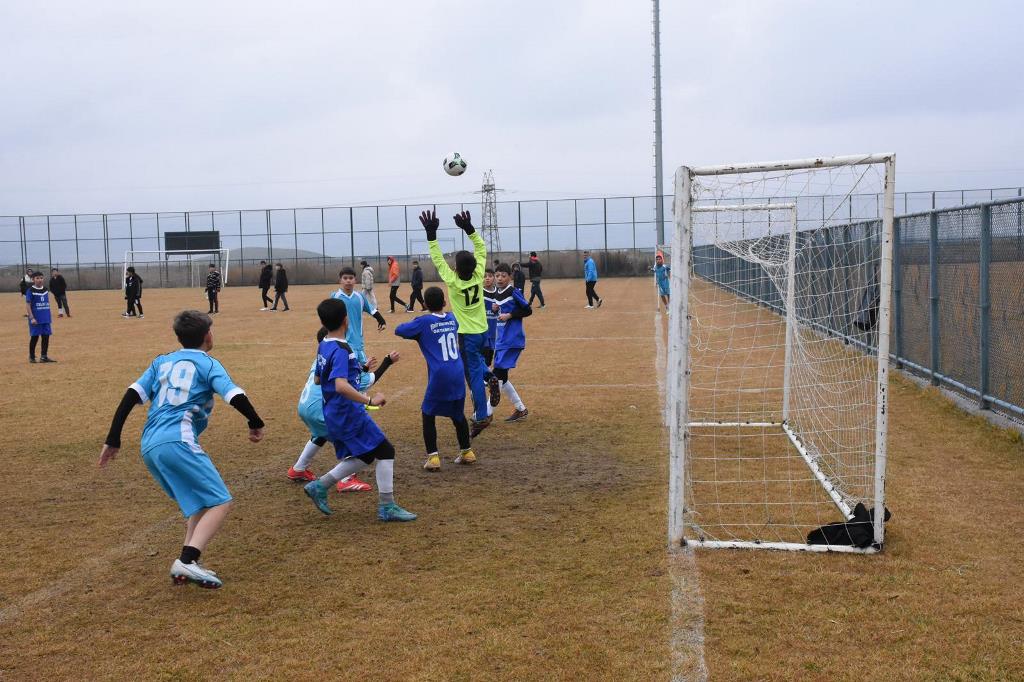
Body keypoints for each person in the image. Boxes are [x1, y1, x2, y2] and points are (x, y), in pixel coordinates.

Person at [97, 310, 266, 589]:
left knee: (199, 504)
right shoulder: (208, 364)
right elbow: (234, 394)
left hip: (150, 444)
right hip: (178, 440)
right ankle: (188, 561)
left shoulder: (161, 362)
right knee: (221, 501)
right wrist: (255, 422)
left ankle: (187, 564)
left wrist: (113, 438)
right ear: (207, 335)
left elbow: (130, 395)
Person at [302, 298, 416, 522]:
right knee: (385, 451)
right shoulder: (342, 349)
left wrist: (357, 371)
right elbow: (340, 385)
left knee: (365, 455)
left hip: (334, 412)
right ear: (346, 320)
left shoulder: (324, 344)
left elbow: (318, 378)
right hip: (347, 413)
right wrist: (370, 399)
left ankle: (320, 486)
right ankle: (387, 506)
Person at [420, 209, 500, 438]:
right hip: (483, 331)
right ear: (475, 266)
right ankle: (490, 376)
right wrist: (469, 229)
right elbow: (482, 248)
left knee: (471, 374)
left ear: (455, 267)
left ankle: (481, 415)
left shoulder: (453, 281)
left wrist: (431, 234)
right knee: (476, 365)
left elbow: (437, 259)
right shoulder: (478, 275)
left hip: (466, 334)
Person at [288, 326, 397, 491]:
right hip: (322, 409)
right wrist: (387, 362)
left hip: (306, 407)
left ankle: (298, 468)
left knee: (322, 433)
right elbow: (358, 383)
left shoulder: (321, 355)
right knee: (351, 436)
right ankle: (346, 479)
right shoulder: (340, 352)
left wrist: (363, 369)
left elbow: (324, 378)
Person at [395, 286, 476, 471]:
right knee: (457, 414)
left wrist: (419, 321)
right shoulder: (452, 318)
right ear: (445, 303)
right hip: (457, 371)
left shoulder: (423, 322)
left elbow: (399, 330)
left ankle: (433, 458)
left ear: (424, 304)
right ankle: (467, 452)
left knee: (428, 413)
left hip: (440, 374)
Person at [491, 264, 532, 422]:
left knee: (497, 377)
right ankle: (520, 409)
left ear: (510, 277)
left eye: (503, 275)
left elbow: (528, 310)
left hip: (512, 339)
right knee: (502, 377)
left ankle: (484, 414)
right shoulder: (498, 293)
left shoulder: (513, 292)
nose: (499, 278)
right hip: (501, 339)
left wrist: (510, 315)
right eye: (497, 275)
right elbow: (501, 311)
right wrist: (496, 309)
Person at [26, 271, 55, 363]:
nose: (39, 280)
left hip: (45, 318)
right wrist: (32, 318)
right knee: (35, 337)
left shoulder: (46, 289)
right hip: (36, 319)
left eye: (41, 278)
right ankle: (32, 356)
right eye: (37, 278)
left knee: (46, 337)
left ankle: (44, 356)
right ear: (33, 279)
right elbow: (28, 305)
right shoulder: (30, 290)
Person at [482, 268, 498, 369]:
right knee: (484, 357)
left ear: (494, 278)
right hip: (483, 331)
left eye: (490, 276)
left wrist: (498, 308)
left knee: (490, 357)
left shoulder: (499, 292)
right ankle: (485, 378)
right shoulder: (479, 293)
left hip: (494, 331)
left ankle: (486, 375)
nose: (487, 278)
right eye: (485, 276)